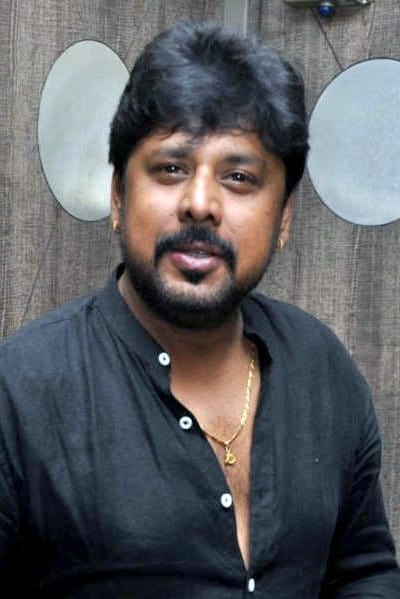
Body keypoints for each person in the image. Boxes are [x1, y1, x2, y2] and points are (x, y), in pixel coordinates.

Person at [0, 21, 398, 598]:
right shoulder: (21, 392)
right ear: (118, 195)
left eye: (239, 177)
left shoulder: (323, 367)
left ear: (284, 218)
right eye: (171, 169)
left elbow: (364, 570)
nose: (200, 203)